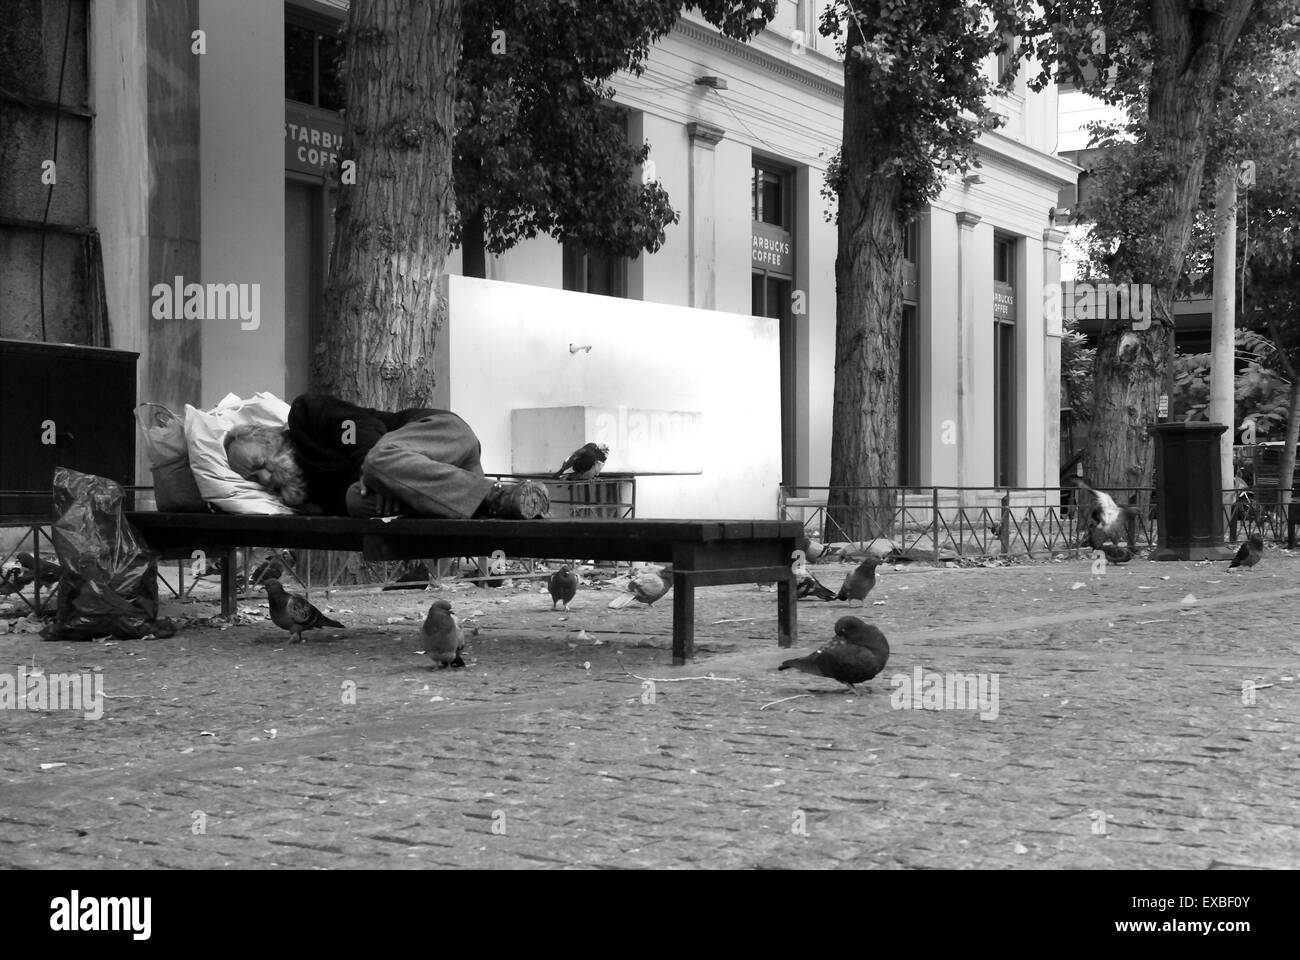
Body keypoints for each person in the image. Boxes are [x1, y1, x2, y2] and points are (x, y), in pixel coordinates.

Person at [224, 394, 549, 519]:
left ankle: (492, 495)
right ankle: (492, 503)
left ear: (268, 439)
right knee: (355, 501)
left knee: (376, 460)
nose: (265, 479)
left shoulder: (306, 417)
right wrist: (383, 488)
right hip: (445, 483)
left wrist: (371, 475)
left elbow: (360, 428)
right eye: (254, 480)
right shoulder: (309, 497)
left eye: (259, 465)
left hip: (443, 437)